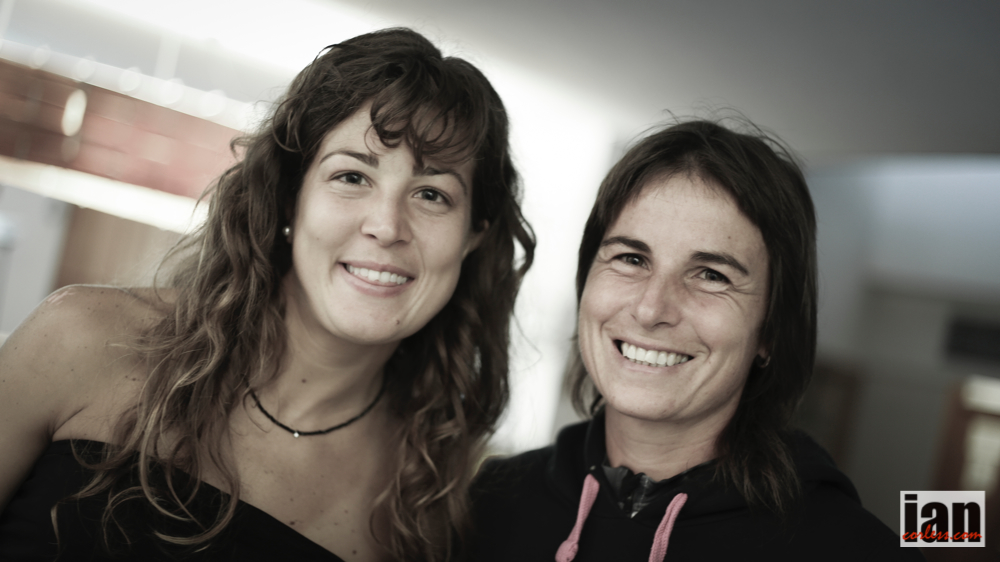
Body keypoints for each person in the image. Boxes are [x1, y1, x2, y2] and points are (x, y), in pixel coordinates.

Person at [0, 28, 534, 562]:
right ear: (288, 197)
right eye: (352, 176)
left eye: (432, 194)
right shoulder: (80, 336)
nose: (387, 226)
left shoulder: (428, 503)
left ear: (473, 237)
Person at [471, 120, 924, 561]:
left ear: (770, 331)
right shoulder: (487, 505)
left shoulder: (855, 551)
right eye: (631, 258)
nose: (651, 309)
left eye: (711, 275)